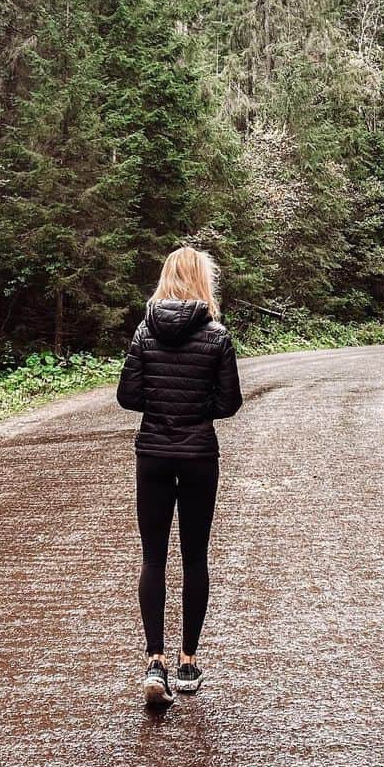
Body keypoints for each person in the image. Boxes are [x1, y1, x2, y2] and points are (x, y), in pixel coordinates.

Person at [116, 246, 243, 707]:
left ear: (165, 278)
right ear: (204, 281)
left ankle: (155, 661)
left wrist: (162, 407)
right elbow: (229, 403)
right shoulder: (216, 335)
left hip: (152, 453)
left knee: (153, 557)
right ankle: (189, 662)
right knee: (195, 557)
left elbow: (128, 396)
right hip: (197, 456)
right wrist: (194, 411)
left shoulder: (144, 331)